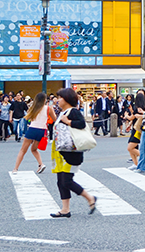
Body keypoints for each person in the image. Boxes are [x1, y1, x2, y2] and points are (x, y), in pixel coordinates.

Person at [49, 87, 97, 218]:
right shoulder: (63, 112)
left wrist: (68, 121)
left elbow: (81, 124)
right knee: (61, 181)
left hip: (72, 153)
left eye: (60, 98)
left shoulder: (73, 111)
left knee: (66, 181)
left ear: (67, 99)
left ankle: (90, 198)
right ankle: (65, 209)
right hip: (62, 152)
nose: (58, 100)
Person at [12, 93, 56, 174]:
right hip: (42, 130)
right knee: (34, 149)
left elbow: (28, 118)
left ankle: (15, 169)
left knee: (23, 150)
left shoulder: (33, 108)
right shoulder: (48, 108)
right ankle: (41, 164)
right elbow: (55, 119)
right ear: (45, 100)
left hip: (32, 129)